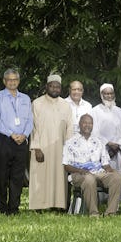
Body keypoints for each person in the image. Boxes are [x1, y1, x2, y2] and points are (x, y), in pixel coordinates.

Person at [0, 69, 33, 215]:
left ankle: (14, 208)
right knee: (1, 175)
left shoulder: (26, 99)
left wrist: (24, 135)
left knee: (18, 176)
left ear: (18, 81)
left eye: (15, 79)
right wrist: (11, 134)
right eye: (9, 79)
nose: (12, 82)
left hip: (21, 141)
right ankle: (2, 208)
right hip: (3, 139)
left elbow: (30, 120)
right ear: (4, 81)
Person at [62, 114, 121, 217]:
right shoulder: (70, 142)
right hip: (78, 173)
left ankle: (110, 212)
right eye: (85, 122)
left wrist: (110, 170)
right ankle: (94, 213)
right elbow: (66, 166)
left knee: (116, 177)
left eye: (90, 123)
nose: (87, 125)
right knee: (89, 179)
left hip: (98, 172)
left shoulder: (98, 141)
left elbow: (105, 163)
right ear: (80, 125)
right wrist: (81, 171)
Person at [29, 75, 74, 211]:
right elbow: (33, 127)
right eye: (52, 86)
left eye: (57, 86)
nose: (55, 89)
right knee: (40, 176)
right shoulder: (37, 103)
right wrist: (36, 147)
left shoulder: (66, 105)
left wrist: (68, 149)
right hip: (41, 147)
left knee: (59, 177)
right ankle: (39, 206)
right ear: (46, 87)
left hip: (60, 148)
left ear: (60, 88)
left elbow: (70, 127)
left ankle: (58, 205)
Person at [91, 83, 121, 171]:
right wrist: (108, 143)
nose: (109, 96)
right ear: (101, 95)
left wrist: (118, 144)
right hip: (103, 148)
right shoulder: (95, 111)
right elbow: (94, 131)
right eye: (106, 94)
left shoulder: (120, 111)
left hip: (118, 150)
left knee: (119, 175)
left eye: (111, 93)